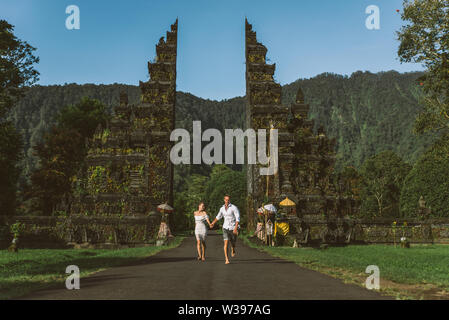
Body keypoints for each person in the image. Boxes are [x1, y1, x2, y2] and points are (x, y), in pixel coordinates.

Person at [210, 195, 240, 264]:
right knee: (226, 243)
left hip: (232, 227)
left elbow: (238, 218)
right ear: (224, 200)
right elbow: (218, 217)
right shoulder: (222, 208)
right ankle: (226, 259)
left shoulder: (234, 207)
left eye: (228, 200)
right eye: (226, 200)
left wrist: (235, 228)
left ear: (230, 200)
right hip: (225, 227)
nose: (227, 201)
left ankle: (233, 248)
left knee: (233, 242)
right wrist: (213, 223)